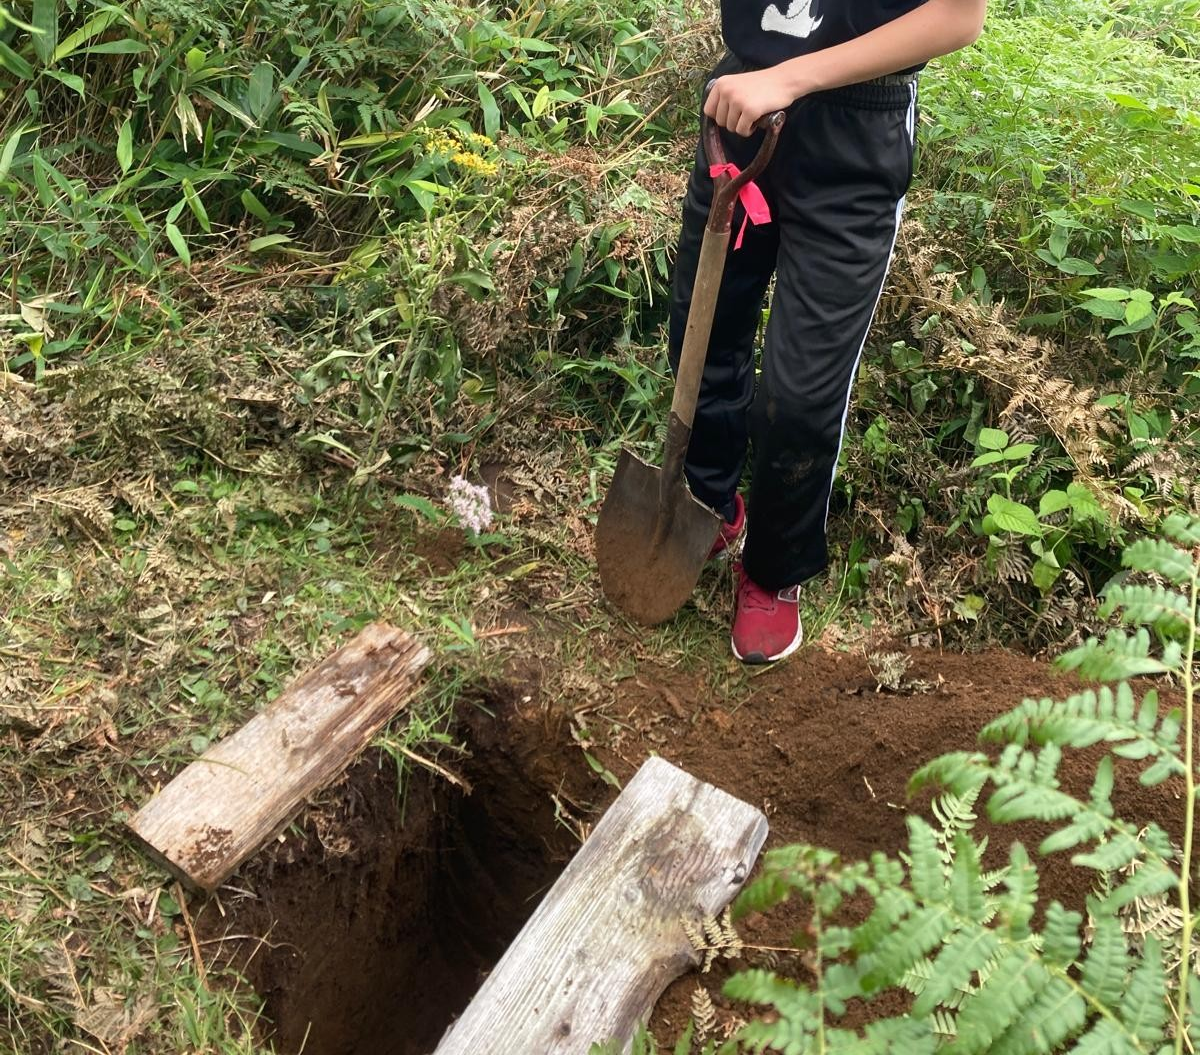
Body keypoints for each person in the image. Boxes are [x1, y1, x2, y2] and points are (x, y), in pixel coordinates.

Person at [666, 0, 988, 663]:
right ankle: (708, 503)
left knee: (801, 394)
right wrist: (758, 78)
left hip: (855, 137)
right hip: (741, 110)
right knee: (701, 332)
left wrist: (789, 78)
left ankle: (773, 569)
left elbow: (959, 17)